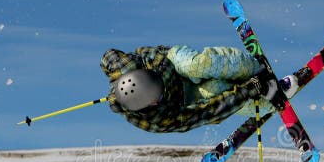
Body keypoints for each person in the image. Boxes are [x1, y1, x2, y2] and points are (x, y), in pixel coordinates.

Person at [101, 46, 281, 133]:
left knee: (198, 65)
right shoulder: (158, 120)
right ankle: (267, 102)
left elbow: (107, 56)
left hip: (172, 62)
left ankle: (251, 67)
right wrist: (249, 90)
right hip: (184, 99)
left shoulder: (124, 67)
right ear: (151, 104)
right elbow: (208, 112)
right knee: (215, 91)